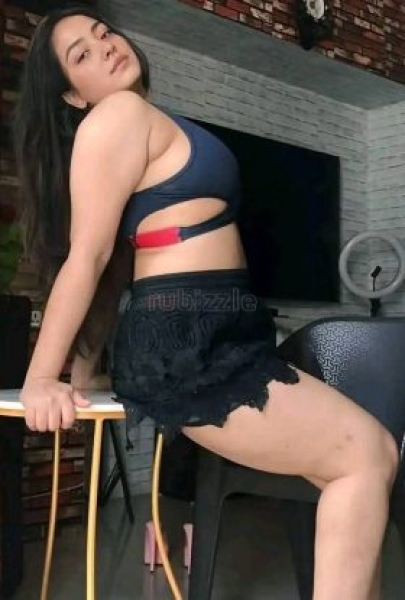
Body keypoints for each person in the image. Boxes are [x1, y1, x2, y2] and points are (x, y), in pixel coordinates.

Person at [14, 4, 398, 599]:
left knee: (356, 469)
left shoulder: (142, 118)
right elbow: (87, 255)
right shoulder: (117, 114)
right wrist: (42, 378)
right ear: (71, 94)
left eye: (104, 32)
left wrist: (86, 370)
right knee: (367, 454)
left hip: (215, 329)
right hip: (187, 334)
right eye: (82, 54)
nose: (106, 45)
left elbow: (114, 268)